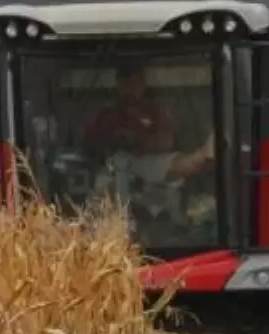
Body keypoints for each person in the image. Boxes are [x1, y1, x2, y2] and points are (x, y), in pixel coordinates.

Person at [85, 68, 216, 233]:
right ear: (119, 86)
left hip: (147, 162)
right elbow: (91, 144)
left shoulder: (154, 112)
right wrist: (116, 139)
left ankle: (210, 149)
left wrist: (139, 141)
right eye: (125, 84)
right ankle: (122, 226)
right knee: (114, 171)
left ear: (142, 86)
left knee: (190, 163)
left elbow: (166, 142)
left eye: (134, 84)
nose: (130, 89)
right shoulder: (107, 114)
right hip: (114, 165)